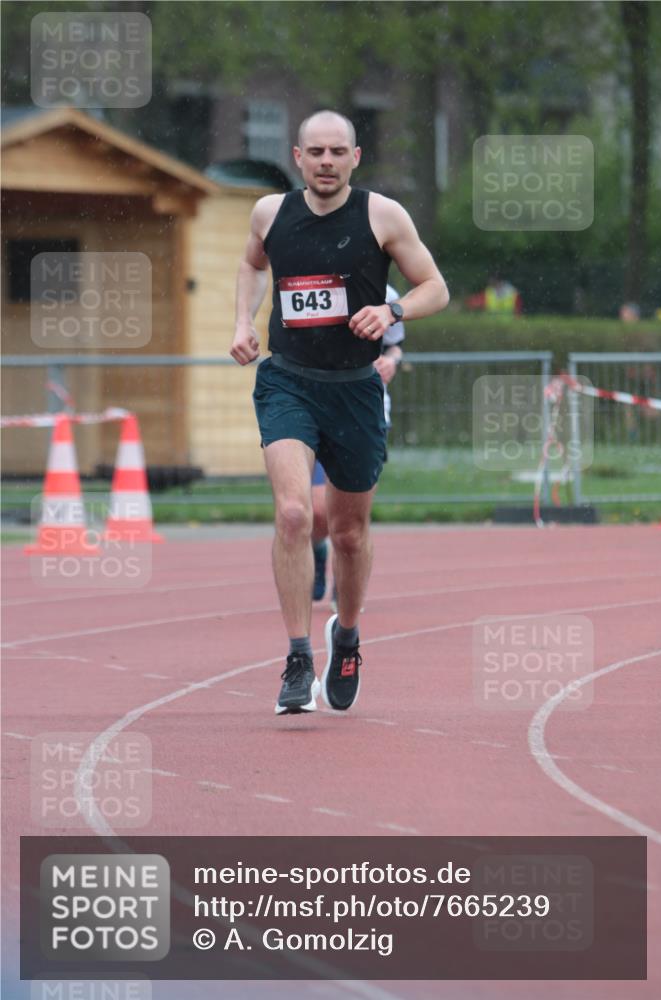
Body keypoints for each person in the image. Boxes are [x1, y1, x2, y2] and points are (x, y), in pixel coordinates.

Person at [230, 109, 449, 716]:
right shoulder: (270, 214)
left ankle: (345, 637)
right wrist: (243, 321)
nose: (326, 162)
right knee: (296, 512)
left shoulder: (383, 215)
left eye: (338, 152)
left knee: (349, 532)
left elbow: (436, 286)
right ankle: (299, 656)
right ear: (297, 157)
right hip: (288, 383)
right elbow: (251, 264)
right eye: (315, 152)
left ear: (356, 157)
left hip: (354, 387)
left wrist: (394, 311)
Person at [312, 283, 405, 604]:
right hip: (316, 411)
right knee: (316, 513)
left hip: (367, 413)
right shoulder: (314, 279)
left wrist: (392, 361)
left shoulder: (386, 294)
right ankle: (316, 548)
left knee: (350, 519)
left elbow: (396, 346)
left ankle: (344, 586)